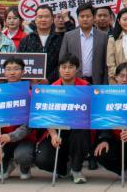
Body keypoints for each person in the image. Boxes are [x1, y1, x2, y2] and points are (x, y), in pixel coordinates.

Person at [35, 55, 93, 183]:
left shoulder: (86, 87)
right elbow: (46, 115)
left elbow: (91, 113)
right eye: (63, 67)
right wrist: (53, 134)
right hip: (57, 130)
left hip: (78, 130)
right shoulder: (51, 89)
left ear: (77, 69)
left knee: (81, 133)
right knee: (42, 160)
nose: (67, 70)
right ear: (59, 69)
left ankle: (76, 169)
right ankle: (64, 169)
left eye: (71, 67)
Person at [0, 57, 37, 180]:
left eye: (16, 69)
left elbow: (30, 124)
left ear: (23, 72)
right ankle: (6, 167)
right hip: (3, 139)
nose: (12, 72)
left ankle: (25, 167)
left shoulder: (30, 93)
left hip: (24, 139)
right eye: (8, 69)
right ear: (4, 72)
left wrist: (11, 136)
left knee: (23, 156)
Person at [60, 2, 108, 84]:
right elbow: (61, 60)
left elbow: (106, 63)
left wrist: (104, 83)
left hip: (96, 82)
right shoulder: (69, 36)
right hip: (74, 82)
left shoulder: (103, 37)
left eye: (88, 16)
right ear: (78, 18)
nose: (85, 19)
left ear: (94, 18)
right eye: (82, 16)